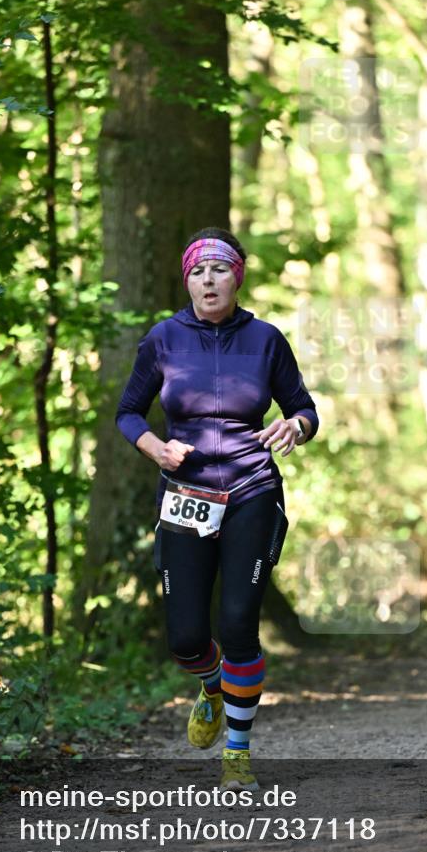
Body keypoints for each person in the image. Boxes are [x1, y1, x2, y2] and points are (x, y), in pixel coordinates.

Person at [115, 227, 319, 791]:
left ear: (237, 278)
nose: (208, 280)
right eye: (198, 272)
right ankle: (211, 685)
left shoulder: (266, 339)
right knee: (185, 638)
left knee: (237, 625)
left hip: (252, 490)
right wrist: (154, 447)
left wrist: (296, 426)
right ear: (188, 281)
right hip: (186, 495)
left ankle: (237, 753)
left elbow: (304, 408)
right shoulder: (163, 339)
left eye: (220, 269)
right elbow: (129, 412)